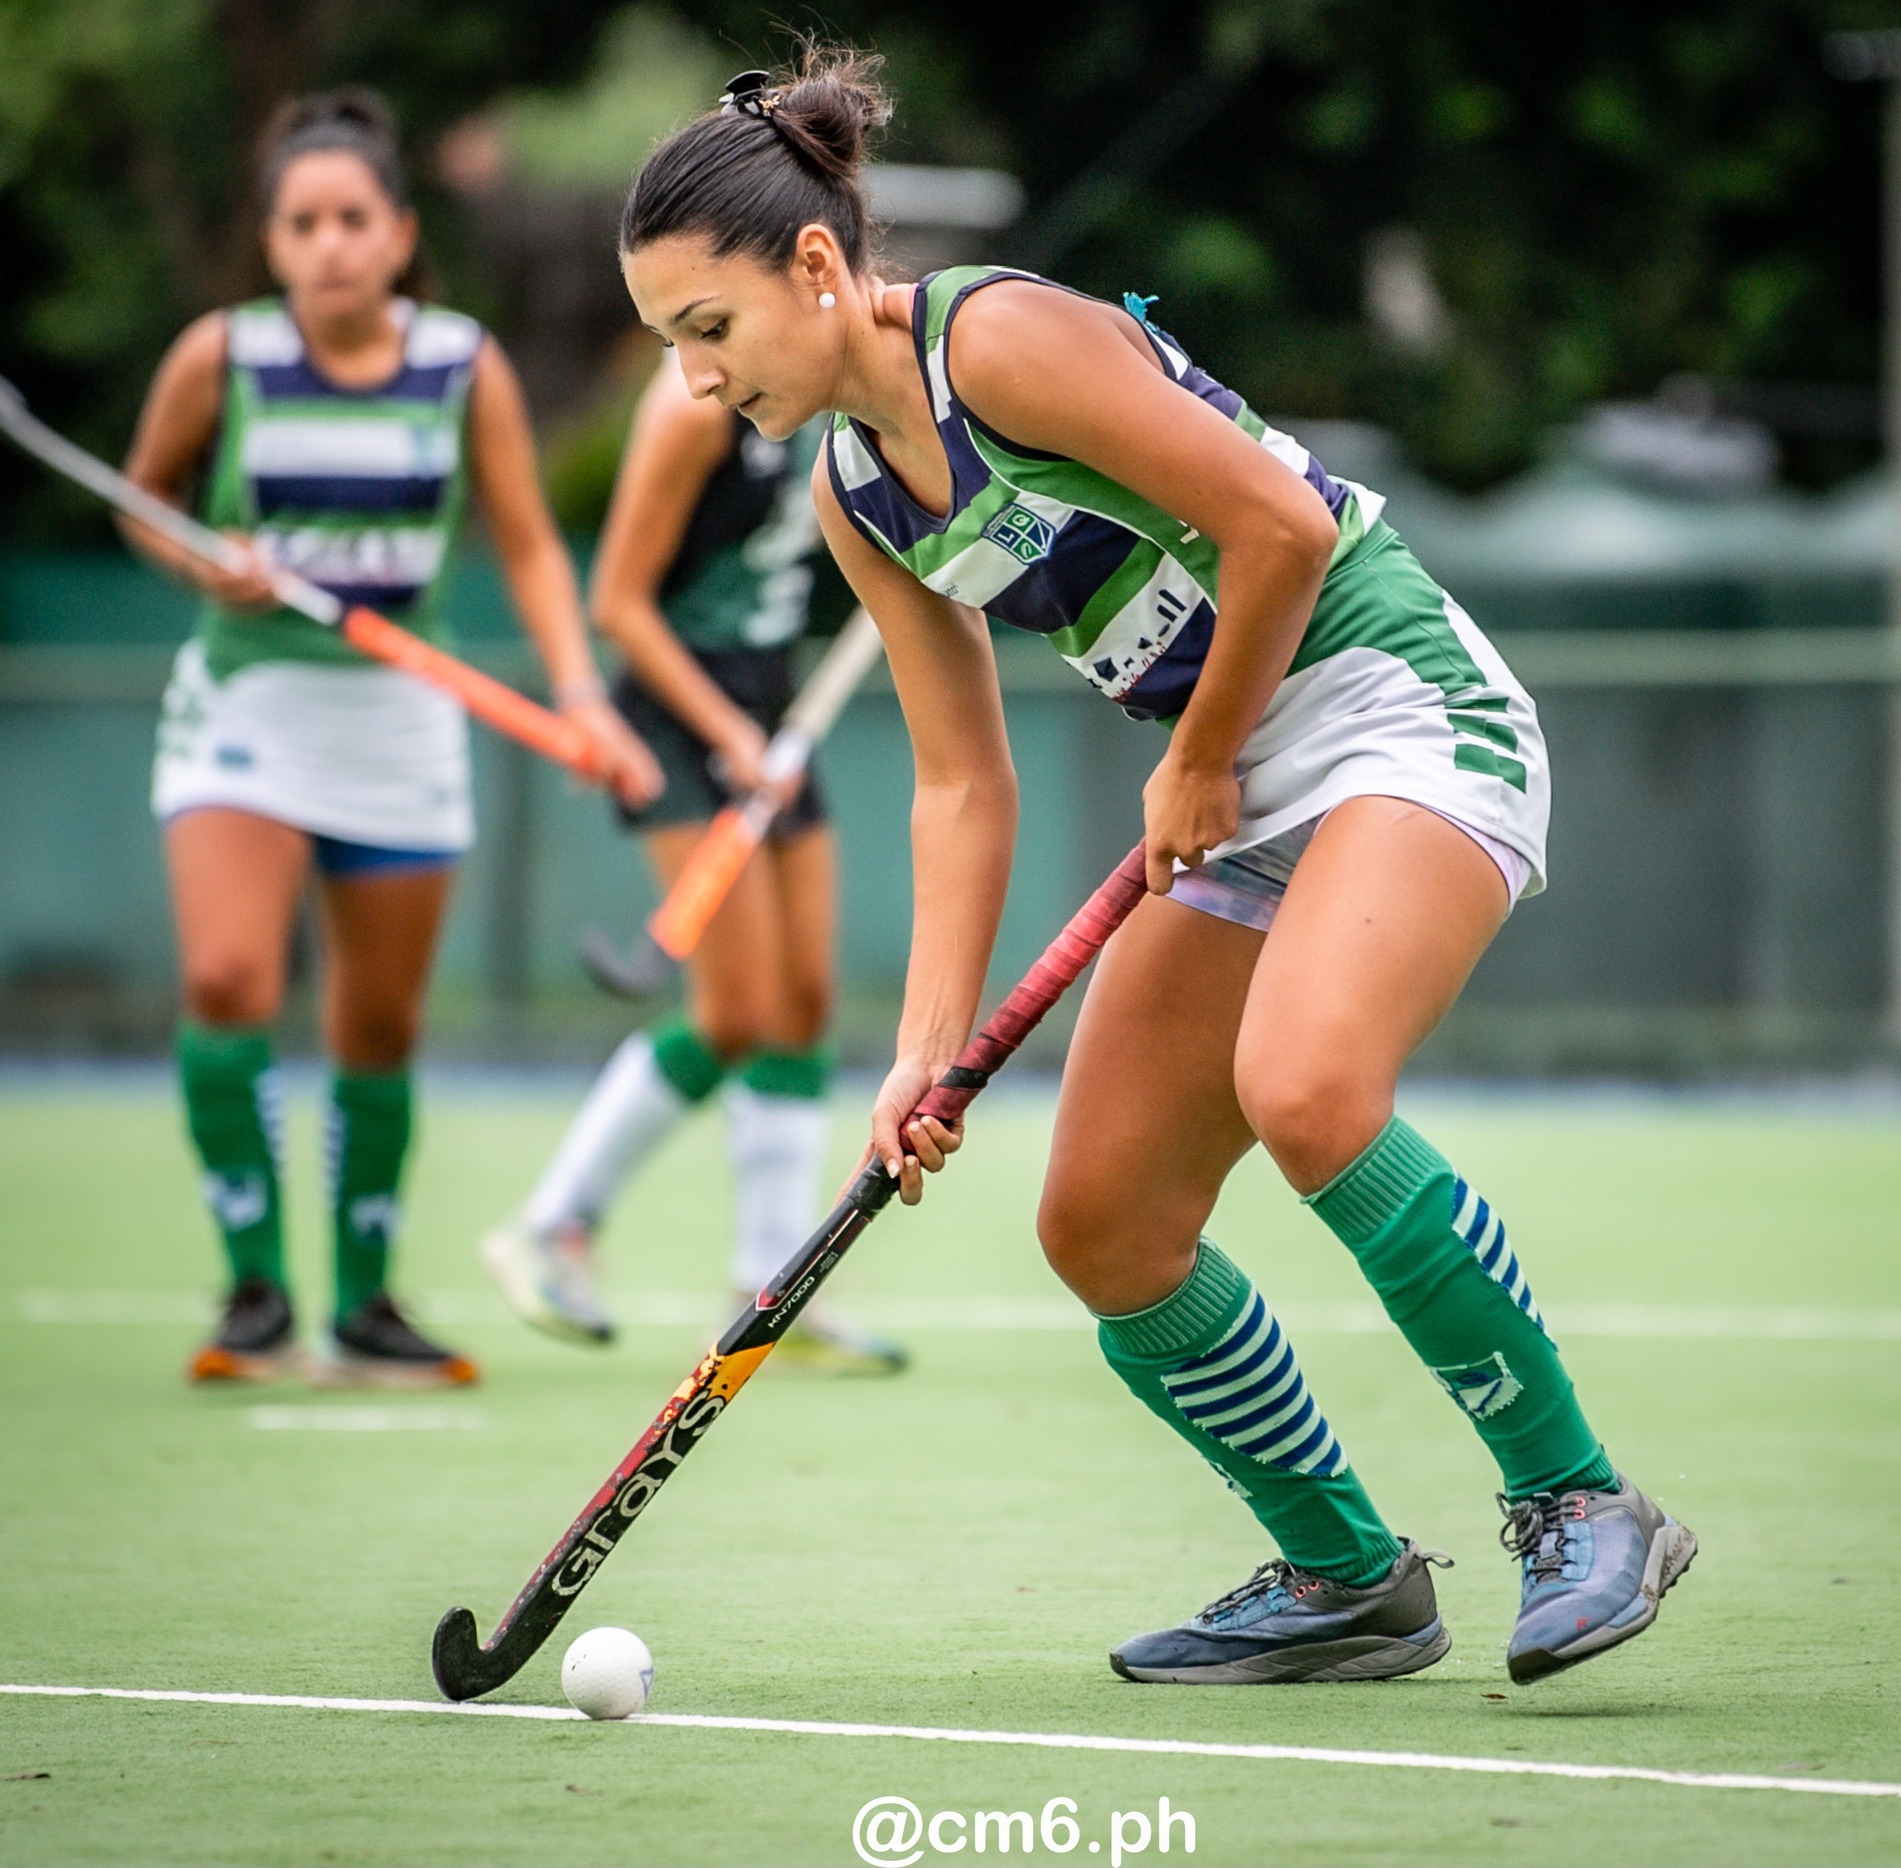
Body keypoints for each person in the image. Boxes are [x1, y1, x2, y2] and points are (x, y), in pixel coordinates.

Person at [613, 52, 1697, 1688]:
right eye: (670, 350)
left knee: (1308, 1084)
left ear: (816, 267)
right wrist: (923, 1042)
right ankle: (1346, 1577)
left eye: (710, 331)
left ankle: (1579, 1496)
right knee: (1103, 1219)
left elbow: (1281, 528)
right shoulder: (857, 489)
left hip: (1394, 712)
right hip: (1239, 784)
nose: (697, 382)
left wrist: (1193, 754)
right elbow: (958, 781)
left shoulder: (1001, 341)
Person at [124, 89, 660, 1386]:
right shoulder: (222, 358)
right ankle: (255, 1292)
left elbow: (528, 542)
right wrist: (207, 559)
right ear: (272, 242)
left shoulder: (462, 364)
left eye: (352, 219)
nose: (329, 245)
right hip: (248, 704)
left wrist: (583, 696)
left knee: (376, 1027)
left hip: (401, 723)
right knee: (230, 984)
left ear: (399, 232)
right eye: (303, 222)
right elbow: (143, 501)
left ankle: (363, 1302)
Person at [480, 356, 906, 1374]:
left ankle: (771, 1283)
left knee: (801, 999)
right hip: (676, 717)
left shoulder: (843, 393)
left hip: (772, 707)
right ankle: (551, 1224)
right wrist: (723, 730)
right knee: (733, 1008)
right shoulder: (691, 406)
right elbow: (619, 602)